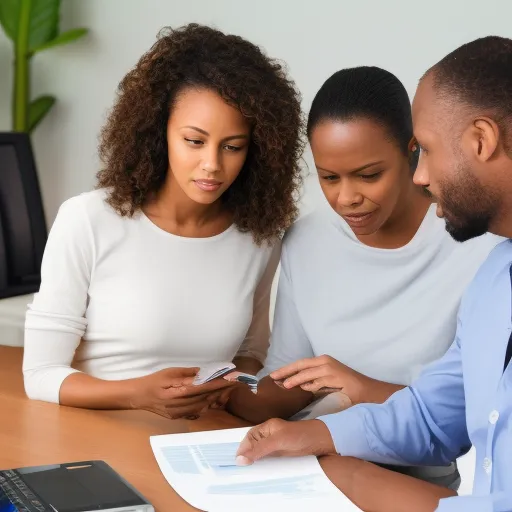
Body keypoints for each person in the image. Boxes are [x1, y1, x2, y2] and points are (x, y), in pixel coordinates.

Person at [235, 36, 512, 512]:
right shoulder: (495, 279)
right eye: (329, 177)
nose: (420, 175)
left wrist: (348, 468)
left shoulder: (475, 261)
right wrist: (309, 437)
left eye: (424, 150)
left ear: (481, 141)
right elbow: (431, 418)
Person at [22, 23, 304, 421]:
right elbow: (40, 375)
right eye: (194, 140)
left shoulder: (257, 239)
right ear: (160, 132)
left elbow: (251, 356)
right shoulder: (88, 220)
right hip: (93, 438)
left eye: (233, 147)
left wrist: (242, 388)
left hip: (198, 448)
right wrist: (137, 395)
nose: (212, 164)